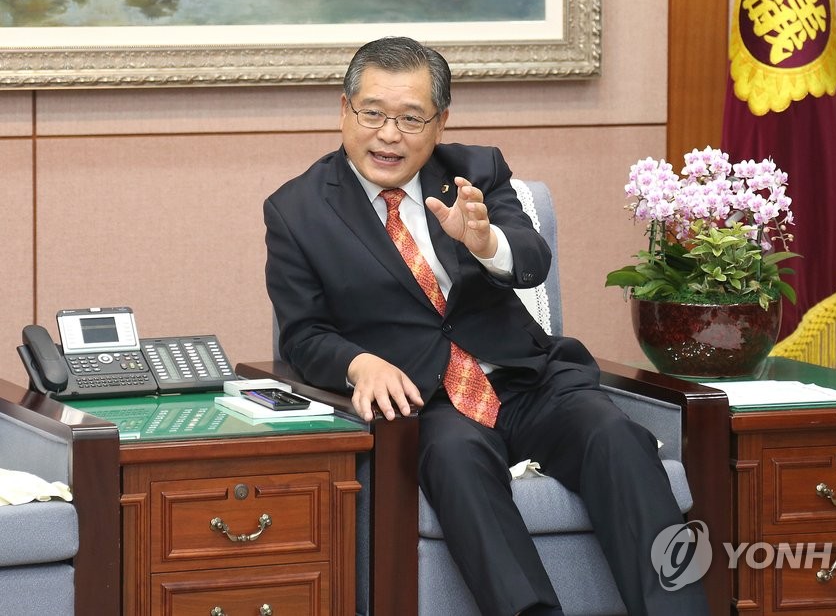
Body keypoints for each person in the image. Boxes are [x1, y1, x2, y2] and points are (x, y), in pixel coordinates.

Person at [263, 36, 709, 616]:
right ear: (344, 110)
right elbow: (302, 333)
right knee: (456, 460)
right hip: (426, 401)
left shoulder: (475, 171)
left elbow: (530, 257)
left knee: (615, 437)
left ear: (441, 121)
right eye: (372, 113)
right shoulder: (297, 210)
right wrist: (360, 364)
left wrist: (486, 243)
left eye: (410, 118)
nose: (388, 134)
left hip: (526, 379)